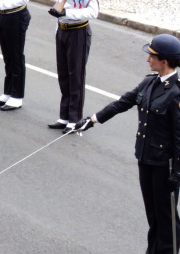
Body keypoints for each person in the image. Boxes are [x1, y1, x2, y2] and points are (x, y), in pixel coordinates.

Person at [74, 34, 180, 254]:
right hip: (145, 159)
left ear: (164, 61)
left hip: (165, 166)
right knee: (153, 216)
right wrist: (92, 120)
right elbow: (123, 103)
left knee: (167, 220)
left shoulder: (176, 93)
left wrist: (177, 172)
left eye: (151, 56)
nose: (148, 60)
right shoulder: (149, 82)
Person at [47, 0, 100, 132]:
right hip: (62, 30)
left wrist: (67, 14)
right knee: (63, 74)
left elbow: (93, 11)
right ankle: (64, 115)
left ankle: (74, 119)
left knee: (75, 75)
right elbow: (59, 0)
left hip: (78, 31)